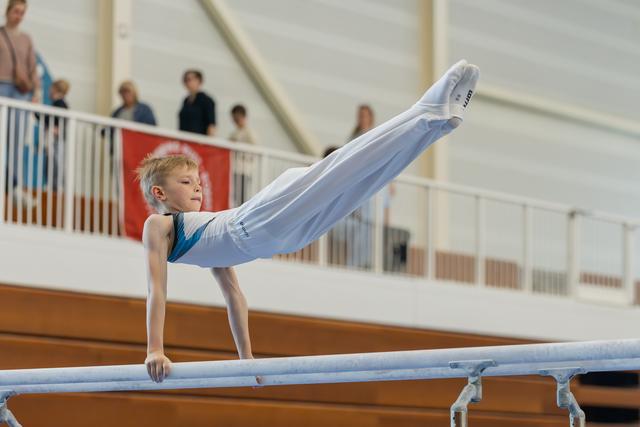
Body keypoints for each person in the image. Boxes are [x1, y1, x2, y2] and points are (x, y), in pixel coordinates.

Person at [139, 60, 479, 383]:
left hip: (254, 221)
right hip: (282, 240)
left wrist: (240, 356)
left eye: (198, 183)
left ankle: (426, 109)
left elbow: (222, 293)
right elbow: (203, 293)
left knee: (346, 167)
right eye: (187, 183)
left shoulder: (200, 224)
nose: (197, 188)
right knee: (362, 186)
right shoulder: (158, 224)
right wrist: (241, 358)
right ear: (160, 192)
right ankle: (436, 126)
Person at [0, 0, 40, 204]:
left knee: (16, 142)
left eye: (22, 12)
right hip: (2, 88)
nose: (19, 15)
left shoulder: (26, 39)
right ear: (8, 12)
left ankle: (15, 186)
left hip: (20, 92)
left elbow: (32, 66)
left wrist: (37, 91)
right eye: (16, 11)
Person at [229, 104, 256, 205]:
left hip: (244, 170)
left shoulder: (249, 133)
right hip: (235, 169)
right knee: (235, 195)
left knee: (241, 196)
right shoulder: (234, 133)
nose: (235, 120)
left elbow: (254, 151)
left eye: (237, 117)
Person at [178, 69, 216, 136]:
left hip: (198, 140)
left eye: (189, 79)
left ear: (198, 81)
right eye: (185, 80)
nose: (187, 83)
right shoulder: (186, 101)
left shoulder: (207, 101)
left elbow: (211, 125)